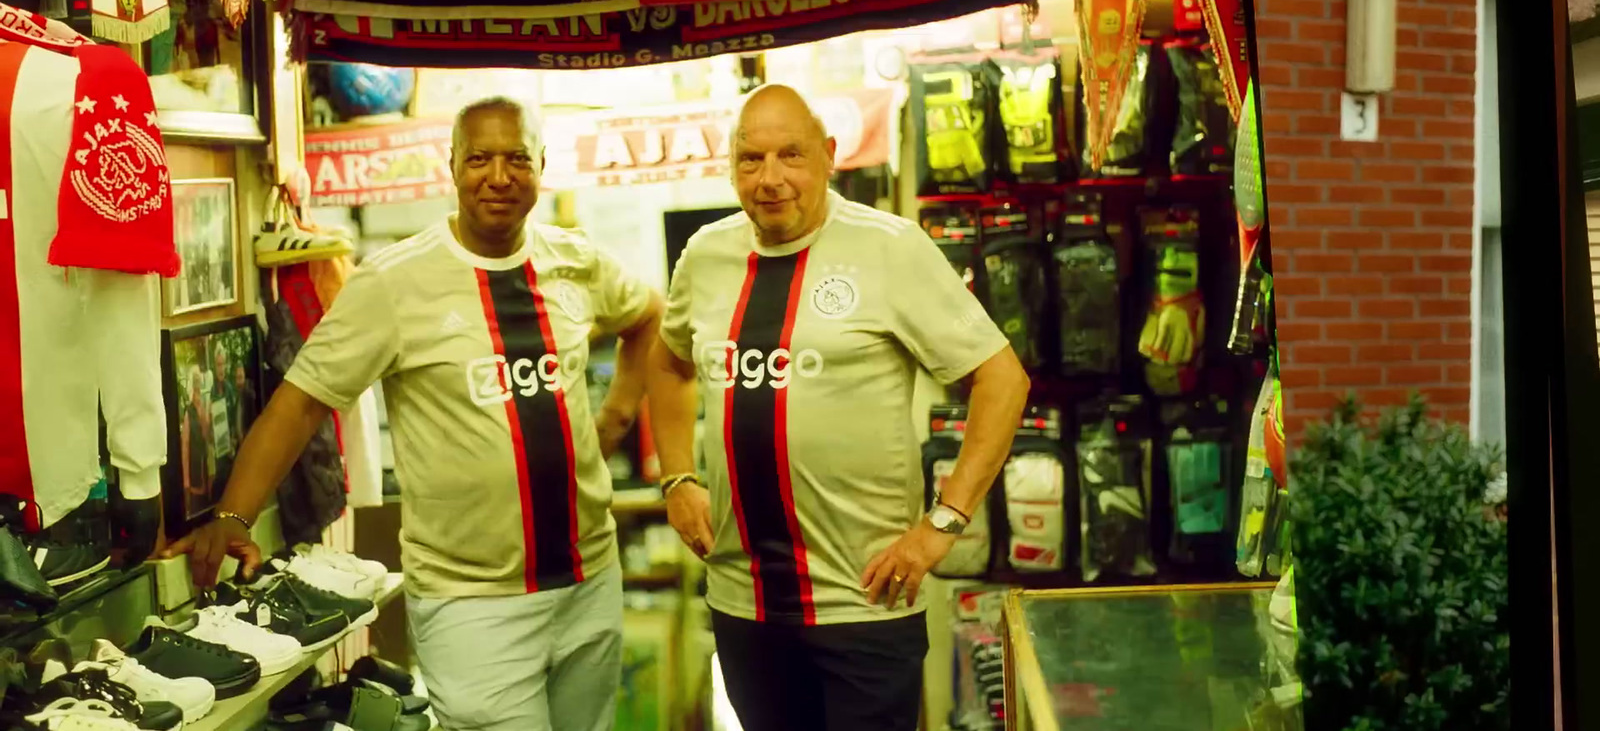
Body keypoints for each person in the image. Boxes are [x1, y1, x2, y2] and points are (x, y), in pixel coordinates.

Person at [166, 96, 665, 731]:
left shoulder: (573, 259)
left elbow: (650, 318)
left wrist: (615, 419)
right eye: (479, 158)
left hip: (590, 580)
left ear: (542, 163)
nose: (499, 176)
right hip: (472, 604)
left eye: (517, 158)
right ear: (451, 166)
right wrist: (233, 513)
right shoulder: (394, 282)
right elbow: (300, 403)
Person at [645, 84, 1031, 731]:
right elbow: (668, 360)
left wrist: (943, 522)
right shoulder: (706, 255)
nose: (770, 179)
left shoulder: (890, 247)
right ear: (731, 164)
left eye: (790, 155)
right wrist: (677, 475)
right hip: (745, 605)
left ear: (828, 155)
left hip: (864, 604)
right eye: (751, 159)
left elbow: (1001, 378)